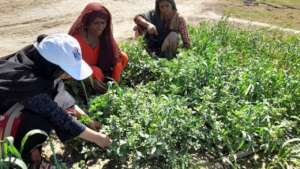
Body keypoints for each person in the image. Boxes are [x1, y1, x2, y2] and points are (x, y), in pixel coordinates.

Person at [0, 33, 112, 167]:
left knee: (51, 106)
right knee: (40, 121)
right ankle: (28, 157)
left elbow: (59, 93)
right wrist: (99, 139)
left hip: (9, 108)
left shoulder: (36, 62)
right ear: (52, 65)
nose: (69, 75)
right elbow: (57, 115)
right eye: (65, 70)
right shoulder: (25, 81)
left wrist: (88, 120)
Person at [69, 2, 128, 93]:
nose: (100, 27)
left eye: (103, 23)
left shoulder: (104, 36)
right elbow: (73, 66)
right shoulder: (75, 41)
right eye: (96, 23)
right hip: (84, 73)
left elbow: (116, 54)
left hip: (101, 68)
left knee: (123, 57)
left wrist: (115, 82)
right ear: (87, 23)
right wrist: (91, 81)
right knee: (96, 71)